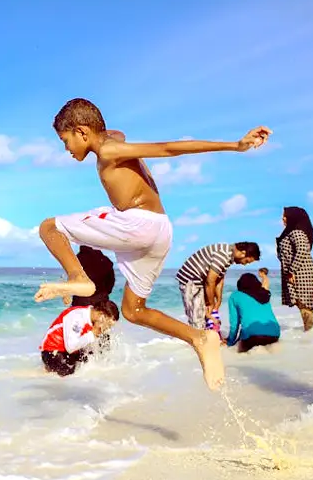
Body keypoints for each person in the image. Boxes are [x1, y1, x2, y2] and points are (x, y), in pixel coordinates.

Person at [32, 97, 271, 390]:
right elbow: (115, 131)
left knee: (49, 228)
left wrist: (235, 145)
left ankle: (78, 278)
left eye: (65, 140)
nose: (66, 149)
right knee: (133, 311)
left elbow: (168, 148)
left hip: (138, 224)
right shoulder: (112, 139)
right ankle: (200, 339)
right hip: (159, 232)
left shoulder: (109, 149)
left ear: (82, 132)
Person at [175, 242, 262, 332]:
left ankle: (206, 339)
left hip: (200, 281)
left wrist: (219, 300)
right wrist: (211, 302)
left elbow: (219, 279)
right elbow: (210, 280)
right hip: (191, 279)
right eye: (246, 261)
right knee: (197, 318)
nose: (244, 264)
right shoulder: (223, 254)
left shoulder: (229, 255)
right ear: (243, 253)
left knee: (205, 316)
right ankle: (199, 342)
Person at [40, 299, 120, 376]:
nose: (107, 328)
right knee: (68, 376)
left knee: (92, 363)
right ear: (101, 316)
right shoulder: (78, 318)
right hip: (52, 350)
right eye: (108, 325)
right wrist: (93, 333)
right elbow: (71, 347)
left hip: (68, 350)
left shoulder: (91, 317)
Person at [277, 206, 313, 331]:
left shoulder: (296, 232)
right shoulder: (291, 232)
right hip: (298, 271)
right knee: (301, 303)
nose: (282, 218)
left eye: (285, 216)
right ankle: (309, 332)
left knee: (304, 304)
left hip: (301, 272)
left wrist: (291, 271)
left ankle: (309, 333)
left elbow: (302, 249)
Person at [227, 272, 281, 353]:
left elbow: (234, 324)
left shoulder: (234, 296)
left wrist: (230, 342)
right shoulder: (265, 294)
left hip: (253, 336)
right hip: (274, 334)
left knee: (240, 356)